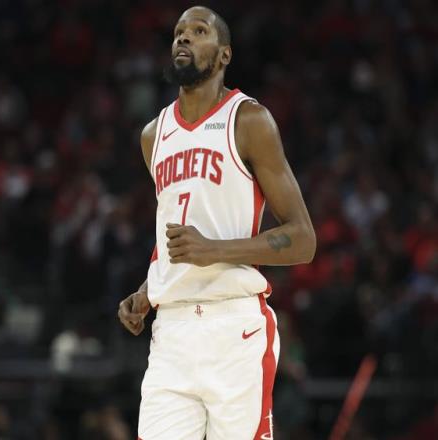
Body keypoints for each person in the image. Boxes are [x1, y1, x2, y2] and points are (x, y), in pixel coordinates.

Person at [118, 6, 316, 439]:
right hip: (172, 333)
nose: (183, 38)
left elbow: (303, 240)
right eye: (178, 32)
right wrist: (147, 290)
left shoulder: (249, 120)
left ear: (224, 54)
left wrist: (214, 251)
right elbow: (176, 230)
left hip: (234, 329)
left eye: (199, 31)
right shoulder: (153, 135)